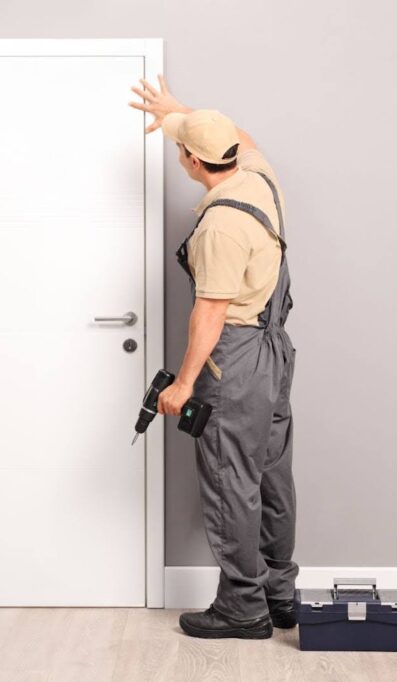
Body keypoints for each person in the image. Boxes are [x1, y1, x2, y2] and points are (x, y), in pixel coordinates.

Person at [129, 75, 298, 640]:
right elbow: (242, 135)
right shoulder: (259, 179)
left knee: (232, 481)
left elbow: (210, 314)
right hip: (275, 353)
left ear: (190, 162)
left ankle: (242, 608)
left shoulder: (219, 225)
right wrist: (181, 113)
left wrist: (182, 384)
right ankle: (279, 591)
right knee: (270, 475)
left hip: (237, 358)